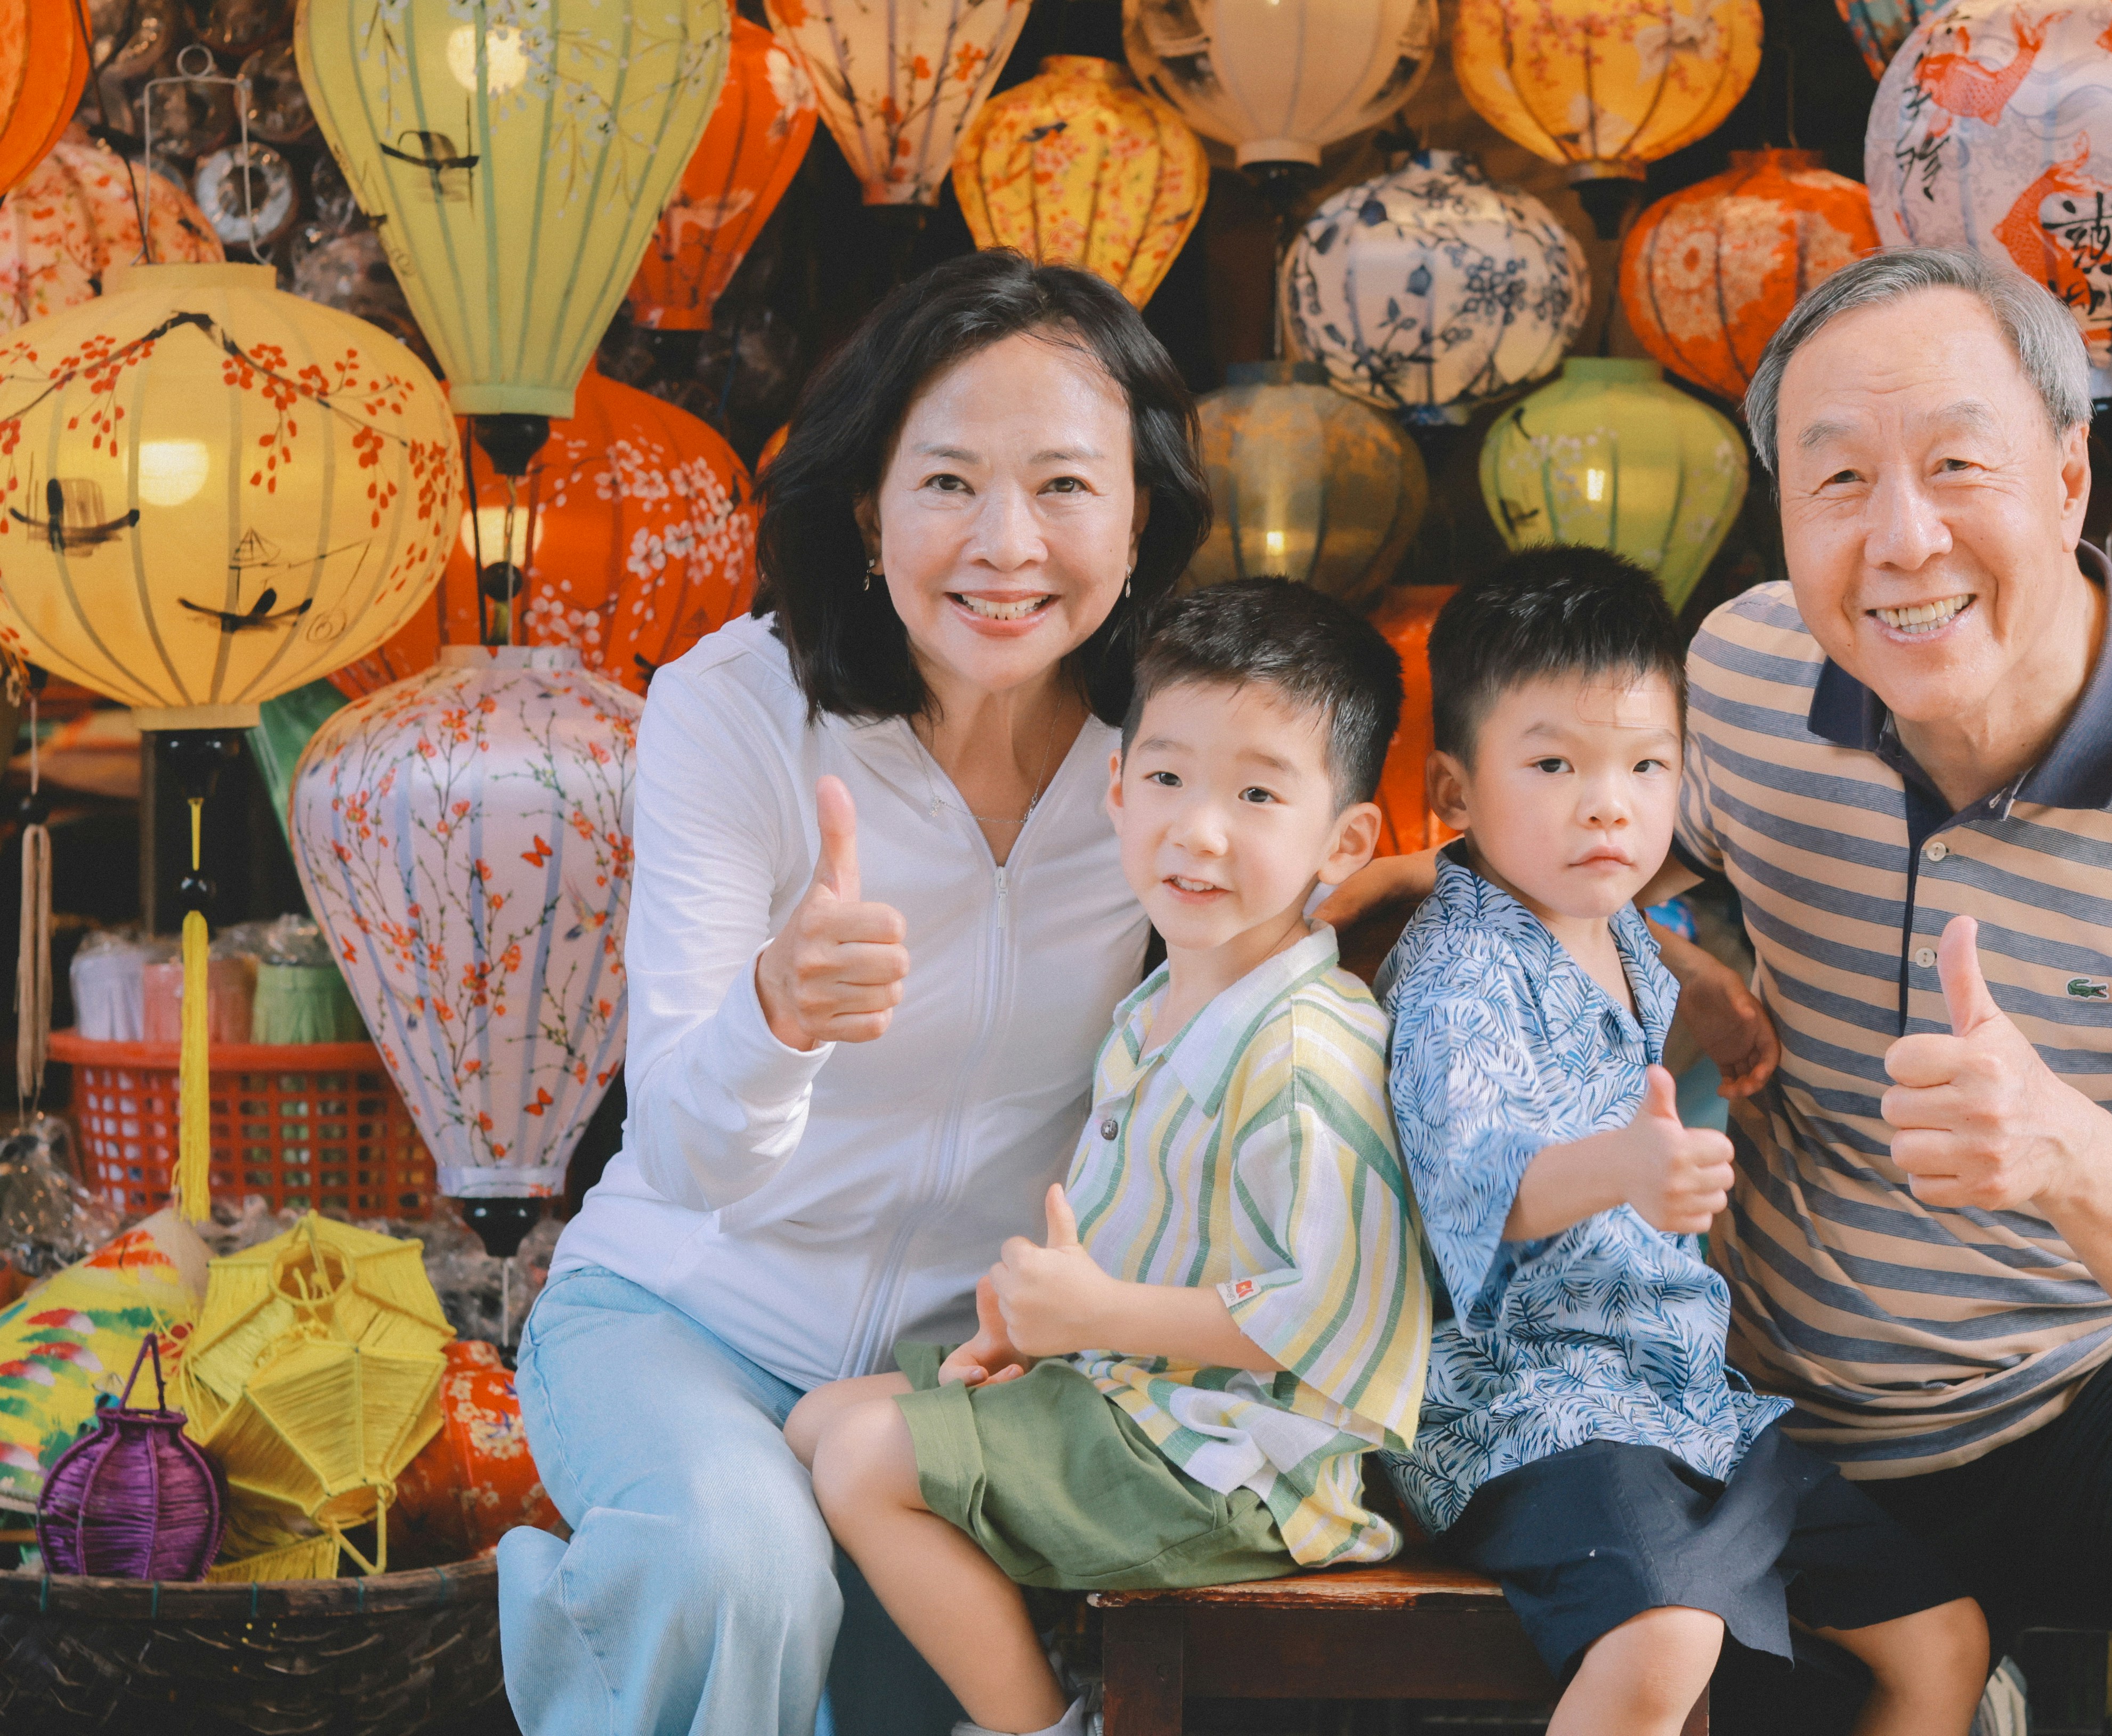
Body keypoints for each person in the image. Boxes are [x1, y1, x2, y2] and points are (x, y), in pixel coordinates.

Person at [1650, 247, 2112, 1732]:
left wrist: (2060, 1150)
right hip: (1777, 1412)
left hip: (2085, 1401)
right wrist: (1682, 971)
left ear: (2068, 479)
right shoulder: (1736, 679)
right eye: (1840, 482)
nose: (1904, 538)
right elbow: (1585, 892)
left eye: (1955, 465)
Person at [497, 250, 1216, 1736]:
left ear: (1141, 523)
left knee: (891, 1685)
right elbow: (689, 1162)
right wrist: (778, 1012)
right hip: (683, 1315)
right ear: (867, 516)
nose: (1006, 543)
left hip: (941, 1385)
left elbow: (1287, 949)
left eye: (1067, 486)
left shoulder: (1177, 753)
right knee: (741, 1566)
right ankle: (618, 1613)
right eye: (948, 480)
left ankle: (599, 1629)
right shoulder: (739, 709)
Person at [782, 579, 1432, 1736]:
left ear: (1343, 841)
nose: (1198, 828)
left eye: (1256, 793)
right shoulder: (1151, 1011)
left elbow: (1332, 1318)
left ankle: (1043, 1728)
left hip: (1242, 1465)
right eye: (1169, 778)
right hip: (1129, 1401)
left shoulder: (1307, 1048)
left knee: (863, 1462)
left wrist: (1094, 1315)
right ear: (1117, 789)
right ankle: (1032, 1680)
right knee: (819, 1419)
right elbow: (1106, 1245)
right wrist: (1019, 1329)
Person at [1377, 549, 1989, 1736]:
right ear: (1454, 789)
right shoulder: (1460, 967)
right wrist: (1626, 1169)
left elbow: (1653, 973)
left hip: (1684, 1402)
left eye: (1645, 765)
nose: (1606, 801)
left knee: (1941, 1641)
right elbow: (1471, 1185)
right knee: (1667, 1644)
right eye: (1552, 764)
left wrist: (1708, 994)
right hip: (1530, 1409)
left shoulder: (1624, 937)